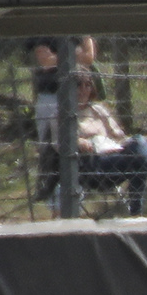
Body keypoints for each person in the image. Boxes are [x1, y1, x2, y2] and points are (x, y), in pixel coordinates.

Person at [73, 69, 147, 216]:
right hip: (91, 165)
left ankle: (136, 213)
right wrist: (77, 141)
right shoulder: (64, 114)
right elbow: (57, 143)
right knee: (138, 160)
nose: (84, 90)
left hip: (115, 155)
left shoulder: (98, 110)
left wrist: (145, 140)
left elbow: (120, 139)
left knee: (138, 146)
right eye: (79, 85)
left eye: (88, 85)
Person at [23, 35, 95, 201]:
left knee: (82, 137)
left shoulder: (81, 32)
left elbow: (89, 57)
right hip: (50, 96)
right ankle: (48, 187)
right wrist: (76, 54)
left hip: (78, 95)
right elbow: (46, 62)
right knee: (49, 144)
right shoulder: (43, 34)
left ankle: (82, 183)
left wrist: (61, 56)